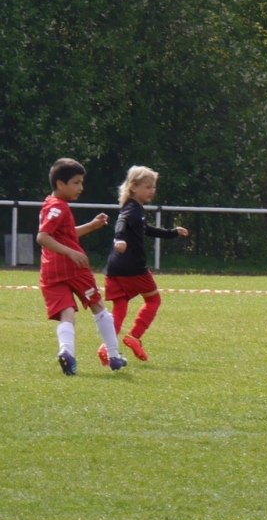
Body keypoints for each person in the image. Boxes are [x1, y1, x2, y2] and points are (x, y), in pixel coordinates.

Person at [36, 158, 127, 375]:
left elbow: (64, 235)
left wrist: (91, 226)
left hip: (50, 271)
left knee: (67, 312)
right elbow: (43, 237)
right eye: (76, 182)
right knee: (98, 306)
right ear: (60, 184)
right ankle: (114, 356)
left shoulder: (50, 204)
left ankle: (66, 351)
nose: (81, 187)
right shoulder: (59, 207)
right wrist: (71, 252)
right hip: (73, 268)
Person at [99, 166, 189, 364]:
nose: (152, 191)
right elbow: (121, 223)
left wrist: (172, 232)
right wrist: (119, 238)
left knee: (120, 307)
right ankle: (134, 336)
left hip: (114, 268)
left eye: (153, 187)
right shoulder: (132, 209)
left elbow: (146, 229)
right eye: (148, 187)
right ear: (133, 187)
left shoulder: (133, 208)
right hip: (133, 268)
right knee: (153, 301)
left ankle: (107, 347)